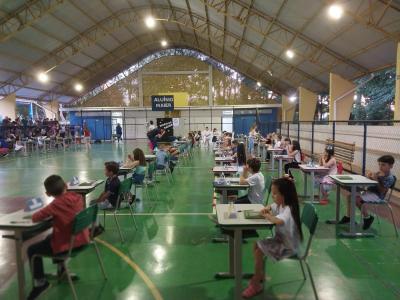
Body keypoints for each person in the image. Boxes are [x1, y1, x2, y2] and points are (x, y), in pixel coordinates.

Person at [27, 175, 89, 300]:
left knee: (32, 250)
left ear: (48, 194)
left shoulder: (55, 205)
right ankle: (62, 270)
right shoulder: (78, 197)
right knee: (50, 237)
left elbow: (35, 217)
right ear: (66, 186)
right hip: (83, 240)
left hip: (69, 245)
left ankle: (41, 283)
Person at [242, 177, 303, 298]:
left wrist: (267, 215)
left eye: (275, 193)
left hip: (287, 246)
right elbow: (272, 205)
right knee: (256, 245)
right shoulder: (280, 204)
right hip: (280, 240)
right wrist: (267, 208)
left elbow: (278, 221)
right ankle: (260, 274)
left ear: (284, 195)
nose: (273, 196)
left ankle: (256, 284)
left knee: (259, 252)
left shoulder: (288, 209)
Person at [338, 155, 395, 230]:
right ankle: (349, 217)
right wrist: (369, 177)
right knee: (350, 196)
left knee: (356, 198)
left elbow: (382, 191)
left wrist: (376, 179)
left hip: (378, 196)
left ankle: (367, 218)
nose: (380, 167)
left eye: (383, 165)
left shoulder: (390, 178)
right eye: (379, 164)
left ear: (391, 166)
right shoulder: (379, 173)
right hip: (369, 192)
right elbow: (372, 183)